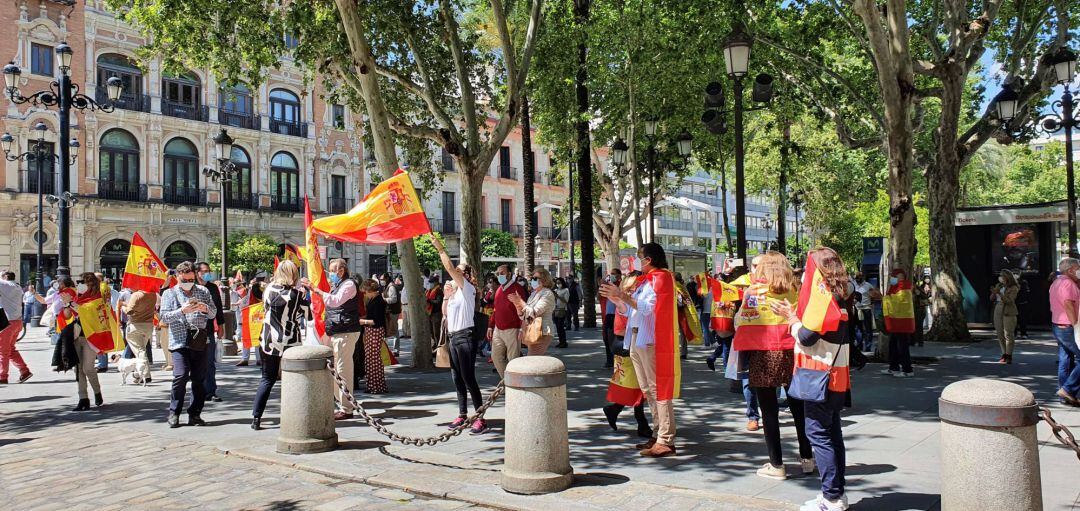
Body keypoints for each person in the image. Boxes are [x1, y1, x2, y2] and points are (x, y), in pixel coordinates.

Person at [770, 247, 853, 511]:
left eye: (807, 268)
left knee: (819, 434)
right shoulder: (842, 291)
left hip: (819, 375)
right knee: (832, 433)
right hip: (836, 375)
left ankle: (831, 497)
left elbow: (807, 336)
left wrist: (791, 318)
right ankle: (837, 493)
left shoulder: (822, 294)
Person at [732, 251, 812, 480]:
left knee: (768, 412)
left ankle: (776, 464)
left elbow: (740, 321)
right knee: (799, 409)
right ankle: (807, 458)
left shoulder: (754, 291)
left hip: (764, 354)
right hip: (793, 353)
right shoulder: (796, 290)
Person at [599, 243, 680, 458]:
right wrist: (616, 298)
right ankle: (657, 433)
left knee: (657, 389)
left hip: (651, 340)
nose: (637, 261)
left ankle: (666, 438)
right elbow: (630, 310)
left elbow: (647, 308)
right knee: (648, 389)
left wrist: (622, 296)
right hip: (637, 337)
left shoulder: (660, 278)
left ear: (649, 260)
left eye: (639, 257)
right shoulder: (646, 281)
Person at [430, 233, 487, 434]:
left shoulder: (468, 289)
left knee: (468, 377)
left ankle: (480, 417)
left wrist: (440, 249)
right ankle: (462, 414)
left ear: (466, 276)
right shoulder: (454, 296)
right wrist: (446, 297)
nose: (455, 275)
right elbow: (445, 314)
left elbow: (449, 268)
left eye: (459, 272)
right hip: (454, 338)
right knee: (457, 378)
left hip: (465, 337)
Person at [251, 261, 310, 430]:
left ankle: (256, 417)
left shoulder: (269, 289)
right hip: (291, 342)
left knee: (267, 379)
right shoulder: (296, 294)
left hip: (269, 339)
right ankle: (296, 416)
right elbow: (308, 315)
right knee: (294, 379)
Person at [160, 261, 215, 428]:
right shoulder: (169, 294)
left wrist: (204, 308)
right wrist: (182, 311)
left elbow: (213, 313)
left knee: (199, 379)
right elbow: (164, 317)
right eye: (184, 280)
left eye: (191, 279)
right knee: (180, 376)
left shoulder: (203, 291)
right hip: (179, 342)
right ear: (177, 277)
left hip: (199, 341)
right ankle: (174, 412)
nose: (188, 284)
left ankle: (195, 413)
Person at [601, 271, 652, 439]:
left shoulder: (629, 302)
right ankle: (640, 421)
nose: (634, 291)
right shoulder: (625, 303)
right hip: (625, 346)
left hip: (630, 345)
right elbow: (620, 329)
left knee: (637, 386)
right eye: (631, 287)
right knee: (636, 386)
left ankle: (617, 410)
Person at [310, 259, 363, 419]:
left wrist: (317, 290)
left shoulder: (348, 285)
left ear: (341, 271)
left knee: (343, 370)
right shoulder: (338, 286)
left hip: (345, 332)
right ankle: (341, 403)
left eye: (333, 271)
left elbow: (335, 301)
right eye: (330, 270)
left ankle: (346, 408)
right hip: (337, 330)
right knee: (336, 369)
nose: (331, 274)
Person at [1049, 257, 1080, 405]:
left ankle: (1065, 394)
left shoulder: (1057, 282)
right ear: (1070, 270)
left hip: (1058, 324)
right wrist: (1076, 325)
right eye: (1078, 268)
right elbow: (1068, 304)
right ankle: (1068, 389)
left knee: (1065, 359)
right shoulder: (1068, 284)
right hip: (1068, 326)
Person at [488, 264, 528, 377]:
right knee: (496, 357)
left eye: (502, 273)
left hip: (513, 329)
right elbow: (495, 309)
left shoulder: (517, 289)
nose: (499, 276)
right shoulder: (499, 290)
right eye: (498, 273)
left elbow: (523, 309)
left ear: (509, 274)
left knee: (513, 360)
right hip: (498, 329)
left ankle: (513, 387)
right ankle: (507, 382)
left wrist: (522, 328)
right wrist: (491, 325)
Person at [507, 267, 556, 355]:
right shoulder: (533, 294)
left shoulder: (547, 293)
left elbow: (533, 312)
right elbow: (525, 315)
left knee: (533, 359)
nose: (532, 280)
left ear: (544, 280)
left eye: (535, 278)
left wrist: (520, 301)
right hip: (532, 330)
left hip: (542, 331)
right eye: (532, 278)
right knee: (533, 359)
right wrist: (517, 304)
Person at [195, 262, 225, 402]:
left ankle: (210, 391)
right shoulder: (191, 287)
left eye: (209, 270)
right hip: (193, 330)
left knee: (209, 362)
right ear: (197, 272)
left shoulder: (213, 287)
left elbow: (218, 307)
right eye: (205, 271)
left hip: (208, 329)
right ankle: (197, 390)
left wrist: (221, 325)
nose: (207, 273)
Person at [357, 278, 389, 394]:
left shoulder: (378, 301)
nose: (365, 295)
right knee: (371, 359)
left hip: (375, 331)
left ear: (370, 290)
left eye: (365, 292)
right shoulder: (374, 300)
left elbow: (376, 321)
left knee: (373, 359)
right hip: (372, 331)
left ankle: (376, 386)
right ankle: (373, 385)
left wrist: (362, 322)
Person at [882, 268, 915, 377]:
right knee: (893, 345)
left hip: (902, 322)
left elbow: (897, 303)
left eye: (894, 276)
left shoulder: (904, 287)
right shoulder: (896, 287)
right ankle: (894, 367)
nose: (892, 278)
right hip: (897, 321)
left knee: (902, 346)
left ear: (900, 277)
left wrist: (883, 298)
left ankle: (907, 370)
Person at [122, 285, 158, 384]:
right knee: (141, 350)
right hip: (148, 326)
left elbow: (129, 311)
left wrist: (123, 307)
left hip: (135, 326)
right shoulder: (153, 295)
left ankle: (146, 375)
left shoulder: (136, 295)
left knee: (140, 351)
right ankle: (138, 374)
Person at [0, 272, 31, 384]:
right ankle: (24, 371)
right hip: (17, 321)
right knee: (10, 349)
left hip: (7, 323)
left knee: (3, 351)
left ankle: (2, 376)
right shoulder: (17, 287)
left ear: (5, 278)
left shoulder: (4, 284)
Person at [992, 270, 1020, 364]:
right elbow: (992, 298)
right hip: (998, 309)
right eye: (1000, 275)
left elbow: (1009, 301)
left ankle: (1009, 355)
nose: (1000, 277)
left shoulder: (1014, 287)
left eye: (1002, 276)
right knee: (1000, 333)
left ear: (1007, 277)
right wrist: (994, 293)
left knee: (1008, 334)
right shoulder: (999, 286)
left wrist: (1000, 294)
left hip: (1008, 310)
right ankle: (1003, 353)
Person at [851, 272, 880, 352]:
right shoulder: (853, 284)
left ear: (863, 277)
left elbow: (875, 295)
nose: (858, 279)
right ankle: (859, 345)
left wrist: (872, 301)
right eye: (856, 277)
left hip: (866, 309)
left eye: (859, 277)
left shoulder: (868, 285)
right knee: (858, 329)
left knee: (868, 328)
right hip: (857, 309)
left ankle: (868, 346)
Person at [600, 269, 622, 365]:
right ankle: (609, 360)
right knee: (606, 338)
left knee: (614, 339)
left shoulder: (620, 285)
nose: (611, 275)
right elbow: (599, 296)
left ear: (618, 275)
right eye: (611, 274)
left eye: (613, 274)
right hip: (608, 315)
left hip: (617, 315)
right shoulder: (607, 286)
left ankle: (615, 360)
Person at [425, 274, 444, 346]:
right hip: (430, 314)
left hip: (436, 314)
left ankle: (439, 348)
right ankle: (434, 346)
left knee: (437, 333)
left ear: (436, 282)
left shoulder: (439, 290)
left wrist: (429, 300)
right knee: (432, 332)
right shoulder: (429, 290)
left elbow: (438, 302)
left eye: (432, 282)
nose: (430, 283)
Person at [553, 277, 570, 348]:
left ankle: (564, 342)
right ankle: (560, 341)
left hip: (562, 309)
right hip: (555, 310)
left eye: (559, 283)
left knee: (561, 326)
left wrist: (558, 296)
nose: (558, 284)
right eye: (557, 283)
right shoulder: (556, 290)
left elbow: (566, 301)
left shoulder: (566, 290)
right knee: (558, 327)